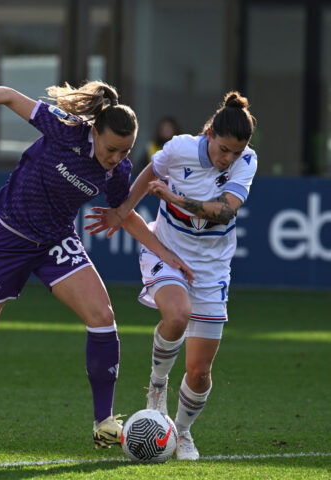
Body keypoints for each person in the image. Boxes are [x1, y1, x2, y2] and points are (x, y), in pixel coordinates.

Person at [0, 82, 194, 452]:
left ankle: (103, 422)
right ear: (94, 131)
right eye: (111, 148)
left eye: (125, 151)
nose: (116, 157)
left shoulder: (119, 171)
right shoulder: (65, 129)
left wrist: (165, 253)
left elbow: (124, 215)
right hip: (5, 236)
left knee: (102, 315)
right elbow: (7, 95)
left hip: (54, 242)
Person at [86, 91, 257, 460]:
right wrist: (123, 209)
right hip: (166, 249)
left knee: (199, 371)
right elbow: (153, 169)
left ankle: (179, 433)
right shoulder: (180, 148)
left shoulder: (246, 161)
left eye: (236, 152)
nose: (228, 158)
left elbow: (224, 213)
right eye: (223, 149)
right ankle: (157, 387)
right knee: (176, 315)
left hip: (211, 269)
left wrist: (175, 198)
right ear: (209, 133)